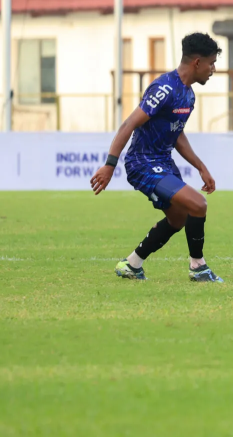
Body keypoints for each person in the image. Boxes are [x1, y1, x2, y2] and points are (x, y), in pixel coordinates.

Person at [91, 33, 223, 282]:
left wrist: (201, 167)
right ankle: (198, 267)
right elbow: (129, 124)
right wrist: (110, 164)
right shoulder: (164, 88)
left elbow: (176, 133)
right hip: (143, 163)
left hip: (163, 163)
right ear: (197, 63)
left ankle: (132, 265)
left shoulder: (188, 95)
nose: (213, 69)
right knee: (198, 204)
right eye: (211, 63)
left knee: (178, 218)